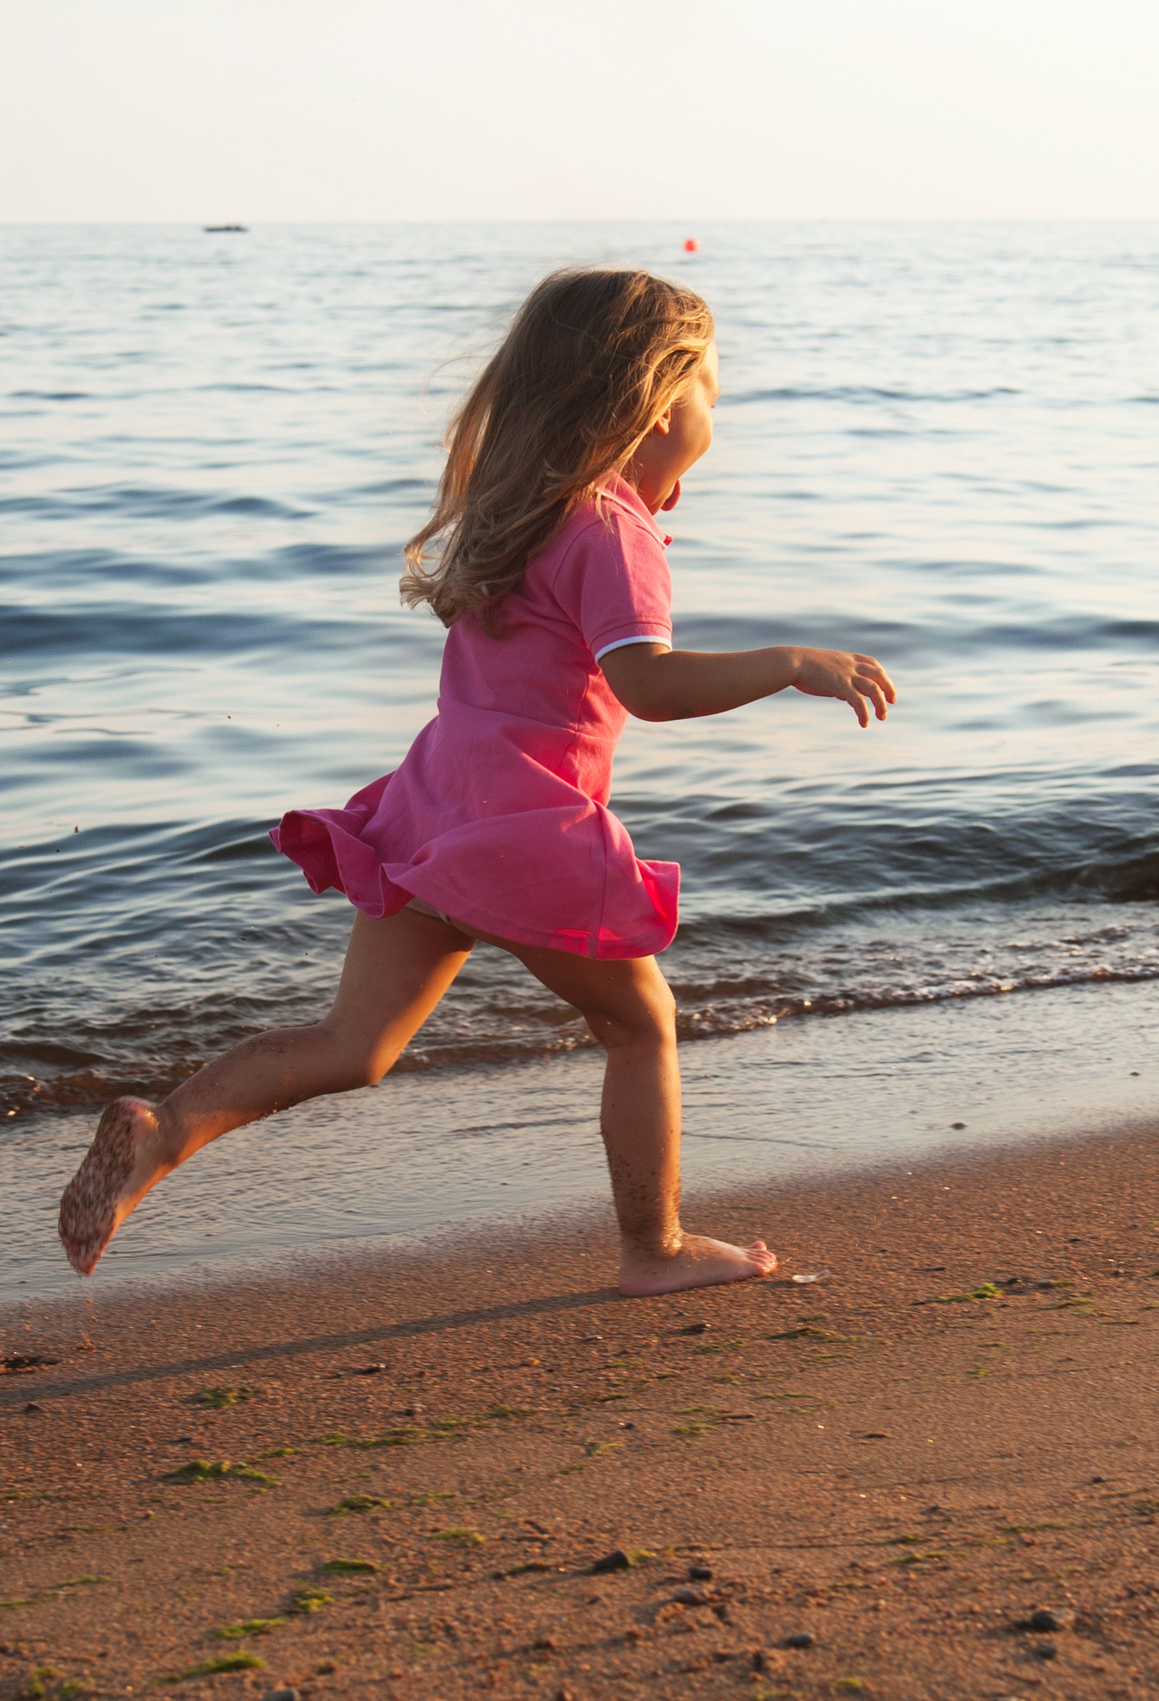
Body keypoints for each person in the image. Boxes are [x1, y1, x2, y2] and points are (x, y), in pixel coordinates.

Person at [57, 268, 897, 1297]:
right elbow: (648, 683)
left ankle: (163, 1133)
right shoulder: (609, 533)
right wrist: (786, 664)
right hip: (522, 828)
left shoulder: (524, 510)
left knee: (352, 1043)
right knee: (640, 1025)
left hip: (435, 804)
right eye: (709, 392)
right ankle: (653, 1249)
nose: (715, 413)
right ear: (652, 401)